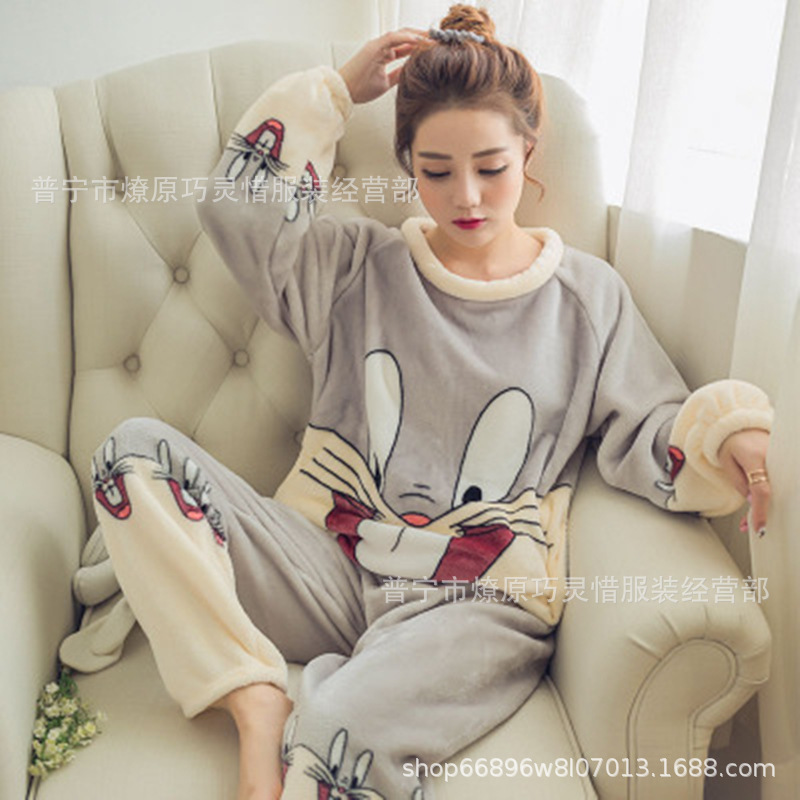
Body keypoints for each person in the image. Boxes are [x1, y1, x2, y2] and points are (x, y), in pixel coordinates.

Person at [89, 5, 773, 799]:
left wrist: (727, 434)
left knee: (341, 740)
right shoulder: (356, 268)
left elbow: (647, 425)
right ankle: (251, 697)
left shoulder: (586, 299)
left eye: (491, 166)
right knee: (131, 454)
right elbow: (237, 211)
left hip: (478, 602)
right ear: (407, 163)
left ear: (528, 150)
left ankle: (316, 724)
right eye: (437, 171)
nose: (467, 196)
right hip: (331, 566)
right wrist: (334, 94)